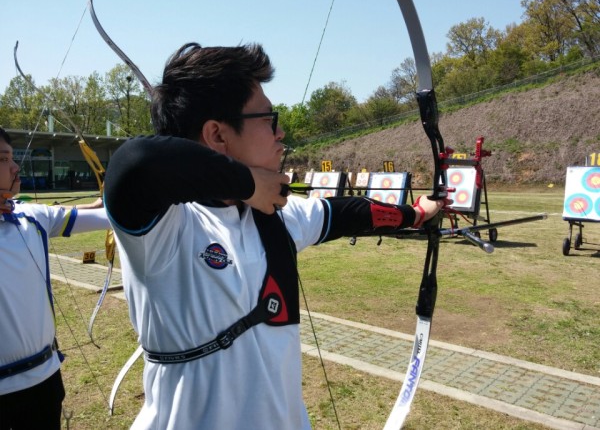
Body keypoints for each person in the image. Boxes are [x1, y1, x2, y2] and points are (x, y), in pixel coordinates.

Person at [103, 42, 447, 430]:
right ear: (217, 134)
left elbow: (347, 213)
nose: (280, 132)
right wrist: (248, 183)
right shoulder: (167, 228)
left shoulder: (274, 215)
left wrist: (416, 213)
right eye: (268, 119)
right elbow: (134, 163)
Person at [0, 126, 110, 430]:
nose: (15, 167)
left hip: (44, 380)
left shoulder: (31, 216)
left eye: (12, 157)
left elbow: (104, 214)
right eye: (3, 159)